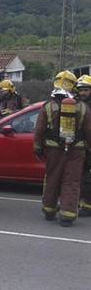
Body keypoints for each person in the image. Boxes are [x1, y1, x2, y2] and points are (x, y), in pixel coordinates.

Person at [35, 71, 91, 226]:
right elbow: (88, 131)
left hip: (53, 149)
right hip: (77, 151)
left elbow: (39, 129)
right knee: (71, 182)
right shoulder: (83, 107)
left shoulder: (48, 106)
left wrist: (37, 148)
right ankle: (67, 214)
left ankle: (49, 210)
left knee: (52, 178)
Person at [76, 74, 91, 217]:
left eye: (85, 90)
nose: (82, 93)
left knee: (87, 177)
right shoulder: (78, 105)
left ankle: (87, 206)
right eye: (80, 90)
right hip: (82, 146)